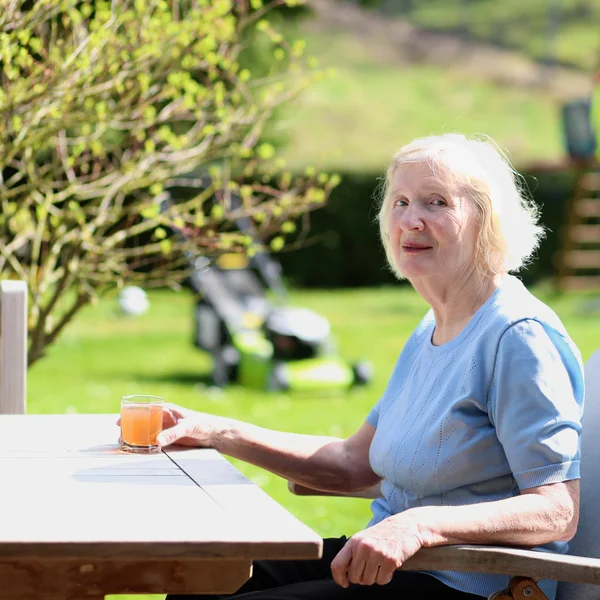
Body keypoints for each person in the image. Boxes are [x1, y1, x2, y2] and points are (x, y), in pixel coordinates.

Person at [162, 133, 584, 600]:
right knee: (198, 580)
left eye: (436, 201)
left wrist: (419, 525)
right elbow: (351, 465)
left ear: (486, 219)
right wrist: (214, 432)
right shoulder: (432, 327)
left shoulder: (518, 335)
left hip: (466, 585)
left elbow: (556, 510)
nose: (411, 219)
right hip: (399, 566)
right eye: (400, 201)